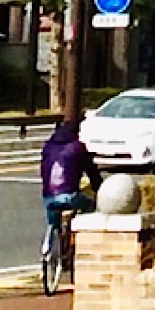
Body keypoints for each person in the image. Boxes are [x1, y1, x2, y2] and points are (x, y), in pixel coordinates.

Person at [39, 113, 97, 287]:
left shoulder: (48, 147)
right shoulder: (77, 147)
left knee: (53, 219)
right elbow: (91, 171)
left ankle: (51, 238)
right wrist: (98, 186)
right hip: (70, 194)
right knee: (89, 207)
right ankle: (76, 239)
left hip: (49, 195)